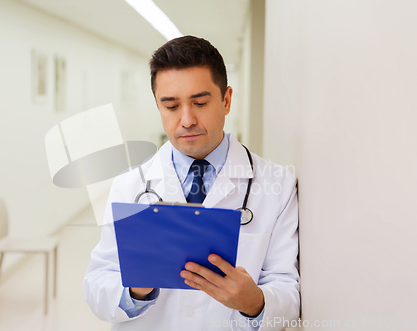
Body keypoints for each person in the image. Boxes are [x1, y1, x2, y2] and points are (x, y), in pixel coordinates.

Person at [83, 36, 300, 331]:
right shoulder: (129, 185)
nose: (186, 120)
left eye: (199, 102)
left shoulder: (278, 184)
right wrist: (135, 290)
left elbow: (288, 290)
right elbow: (97, 283)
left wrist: (254, 302)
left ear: (226, 100)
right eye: (171, 106)